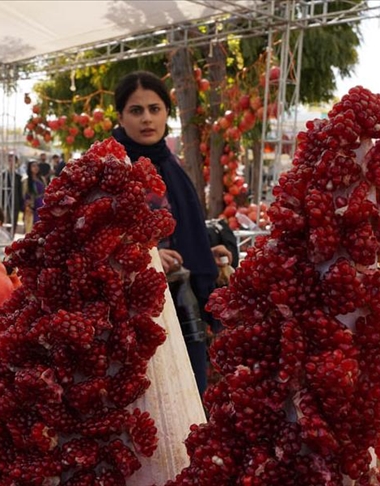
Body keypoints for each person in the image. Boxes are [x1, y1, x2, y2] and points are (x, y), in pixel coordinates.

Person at [112, 71, 231, 396]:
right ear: (120, 116)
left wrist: (207, 250)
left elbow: (178, 226)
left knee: (190, 396)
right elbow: (95, 237)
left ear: (167, 112)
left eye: (155, 108)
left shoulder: (171, 164)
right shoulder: (111, 168)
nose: (147, 118)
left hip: (182, 304)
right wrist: (147, 255)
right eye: (136, 111)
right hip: (133, 315)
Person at [0, 152, 23, 228]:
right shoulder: (1, 176)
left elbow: (20, 192)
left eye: (14, 161)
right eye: (10, 160)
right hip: (4, 204)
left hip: (15, 204)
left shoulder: (18, 177)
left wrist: (21, 205)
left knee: (13, 225)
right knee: (4, 224)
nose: (12, 163)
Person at [22, 160, 45, 233]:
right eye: (33, 166)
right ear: (29, 168)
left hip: (42, 205)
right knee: (31, 228)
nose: (36, 167)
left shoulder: (42, 179)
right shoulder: (26, 181)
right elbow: (24, 194)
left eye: (37, 166)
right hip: (31, 207)